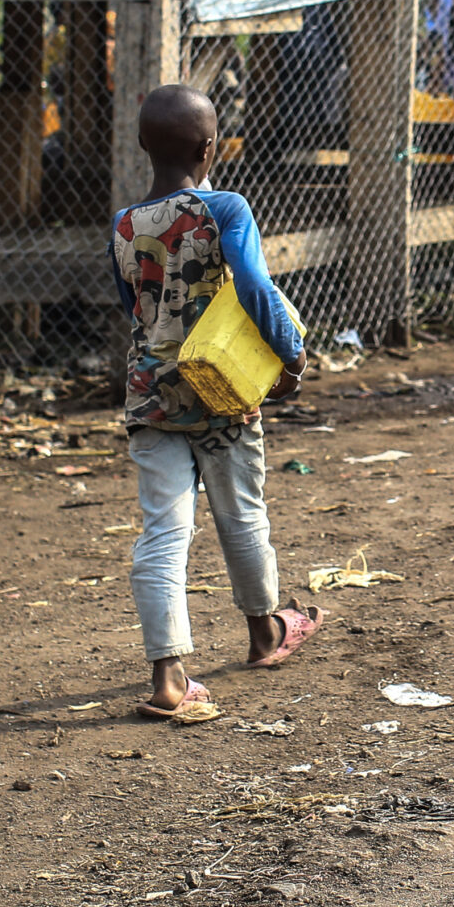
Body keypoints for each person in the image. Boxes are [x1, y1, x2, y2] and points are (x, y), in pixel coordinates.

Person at [109, 84, 316, 723]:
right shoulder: (224, 206)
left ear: (143, 144)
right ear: (211, 147)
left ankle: (168, 678)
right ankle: (265, 634)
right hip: (219, 388)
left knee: (163, 531)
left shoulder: (123, 224)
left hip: (151, 394)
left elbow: (134, 309)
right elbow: (255, 285)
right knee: (241, 514)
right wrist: (290, 356)